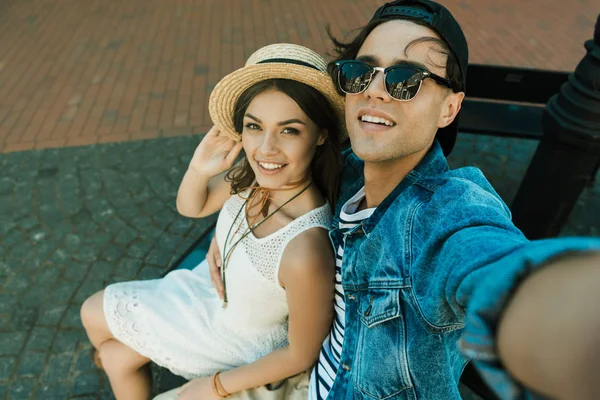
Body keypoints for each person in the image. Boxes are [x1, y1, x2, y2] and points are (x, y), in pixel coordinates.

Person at [205, 1, 600, 399]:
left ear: (450, 107)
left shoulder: (446, 213)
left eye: (406, 78)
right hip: (306, 376)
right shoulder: (344, 168)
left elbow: (494, 265)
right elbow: (277, 182)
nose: (375, 90)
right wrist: (233, 230)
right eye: (361, 73)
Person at [79, 43, 348, 400]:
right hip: (210, 292)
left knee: (94, 315)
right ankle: (120, 357)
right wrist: (199, 167)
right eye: (255, 127)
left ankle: (125, 359)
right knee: (111, 346)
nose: (266, 148)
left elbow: (302, 353)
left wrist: (214, 386)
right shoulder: (255, 178)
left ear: (321, 135)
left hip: (237, 340)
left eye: (289, 130)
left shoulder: (305, 249)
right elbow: (194, 206)